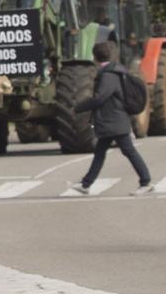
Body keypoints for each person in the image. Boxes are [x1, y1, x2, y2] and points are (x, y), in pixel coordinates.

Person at [65, 40, 153, 196]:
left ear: (95, 58)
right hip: (111, 121)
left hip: (114, 121)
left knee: (128, 151)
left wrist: (78, 108)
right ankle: (86, 184)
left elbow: (100, 98)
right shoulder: (112, 72)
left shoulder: (109, 76)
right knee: (101, 153)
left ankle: (146, 181)